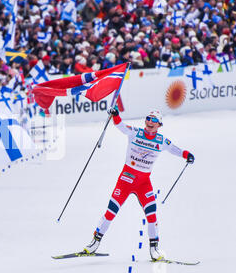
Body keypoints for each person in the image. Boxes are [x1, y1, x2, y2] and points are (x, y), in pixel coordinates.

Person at [83, 108, 195, 261]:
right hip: (125, 181)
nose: (150, 122)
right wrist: (116, 115)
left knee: (152, 215)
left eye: (154, 120)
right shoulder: (135, 132)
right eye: (148, 118)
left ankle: (154, 249)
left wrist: (187, 155)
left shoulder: (161, 140)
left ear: (159, 125)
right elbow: (121, 126)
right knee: (111, 212)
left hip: (143, 183)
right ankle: (94, 243)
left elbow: (174, 149)